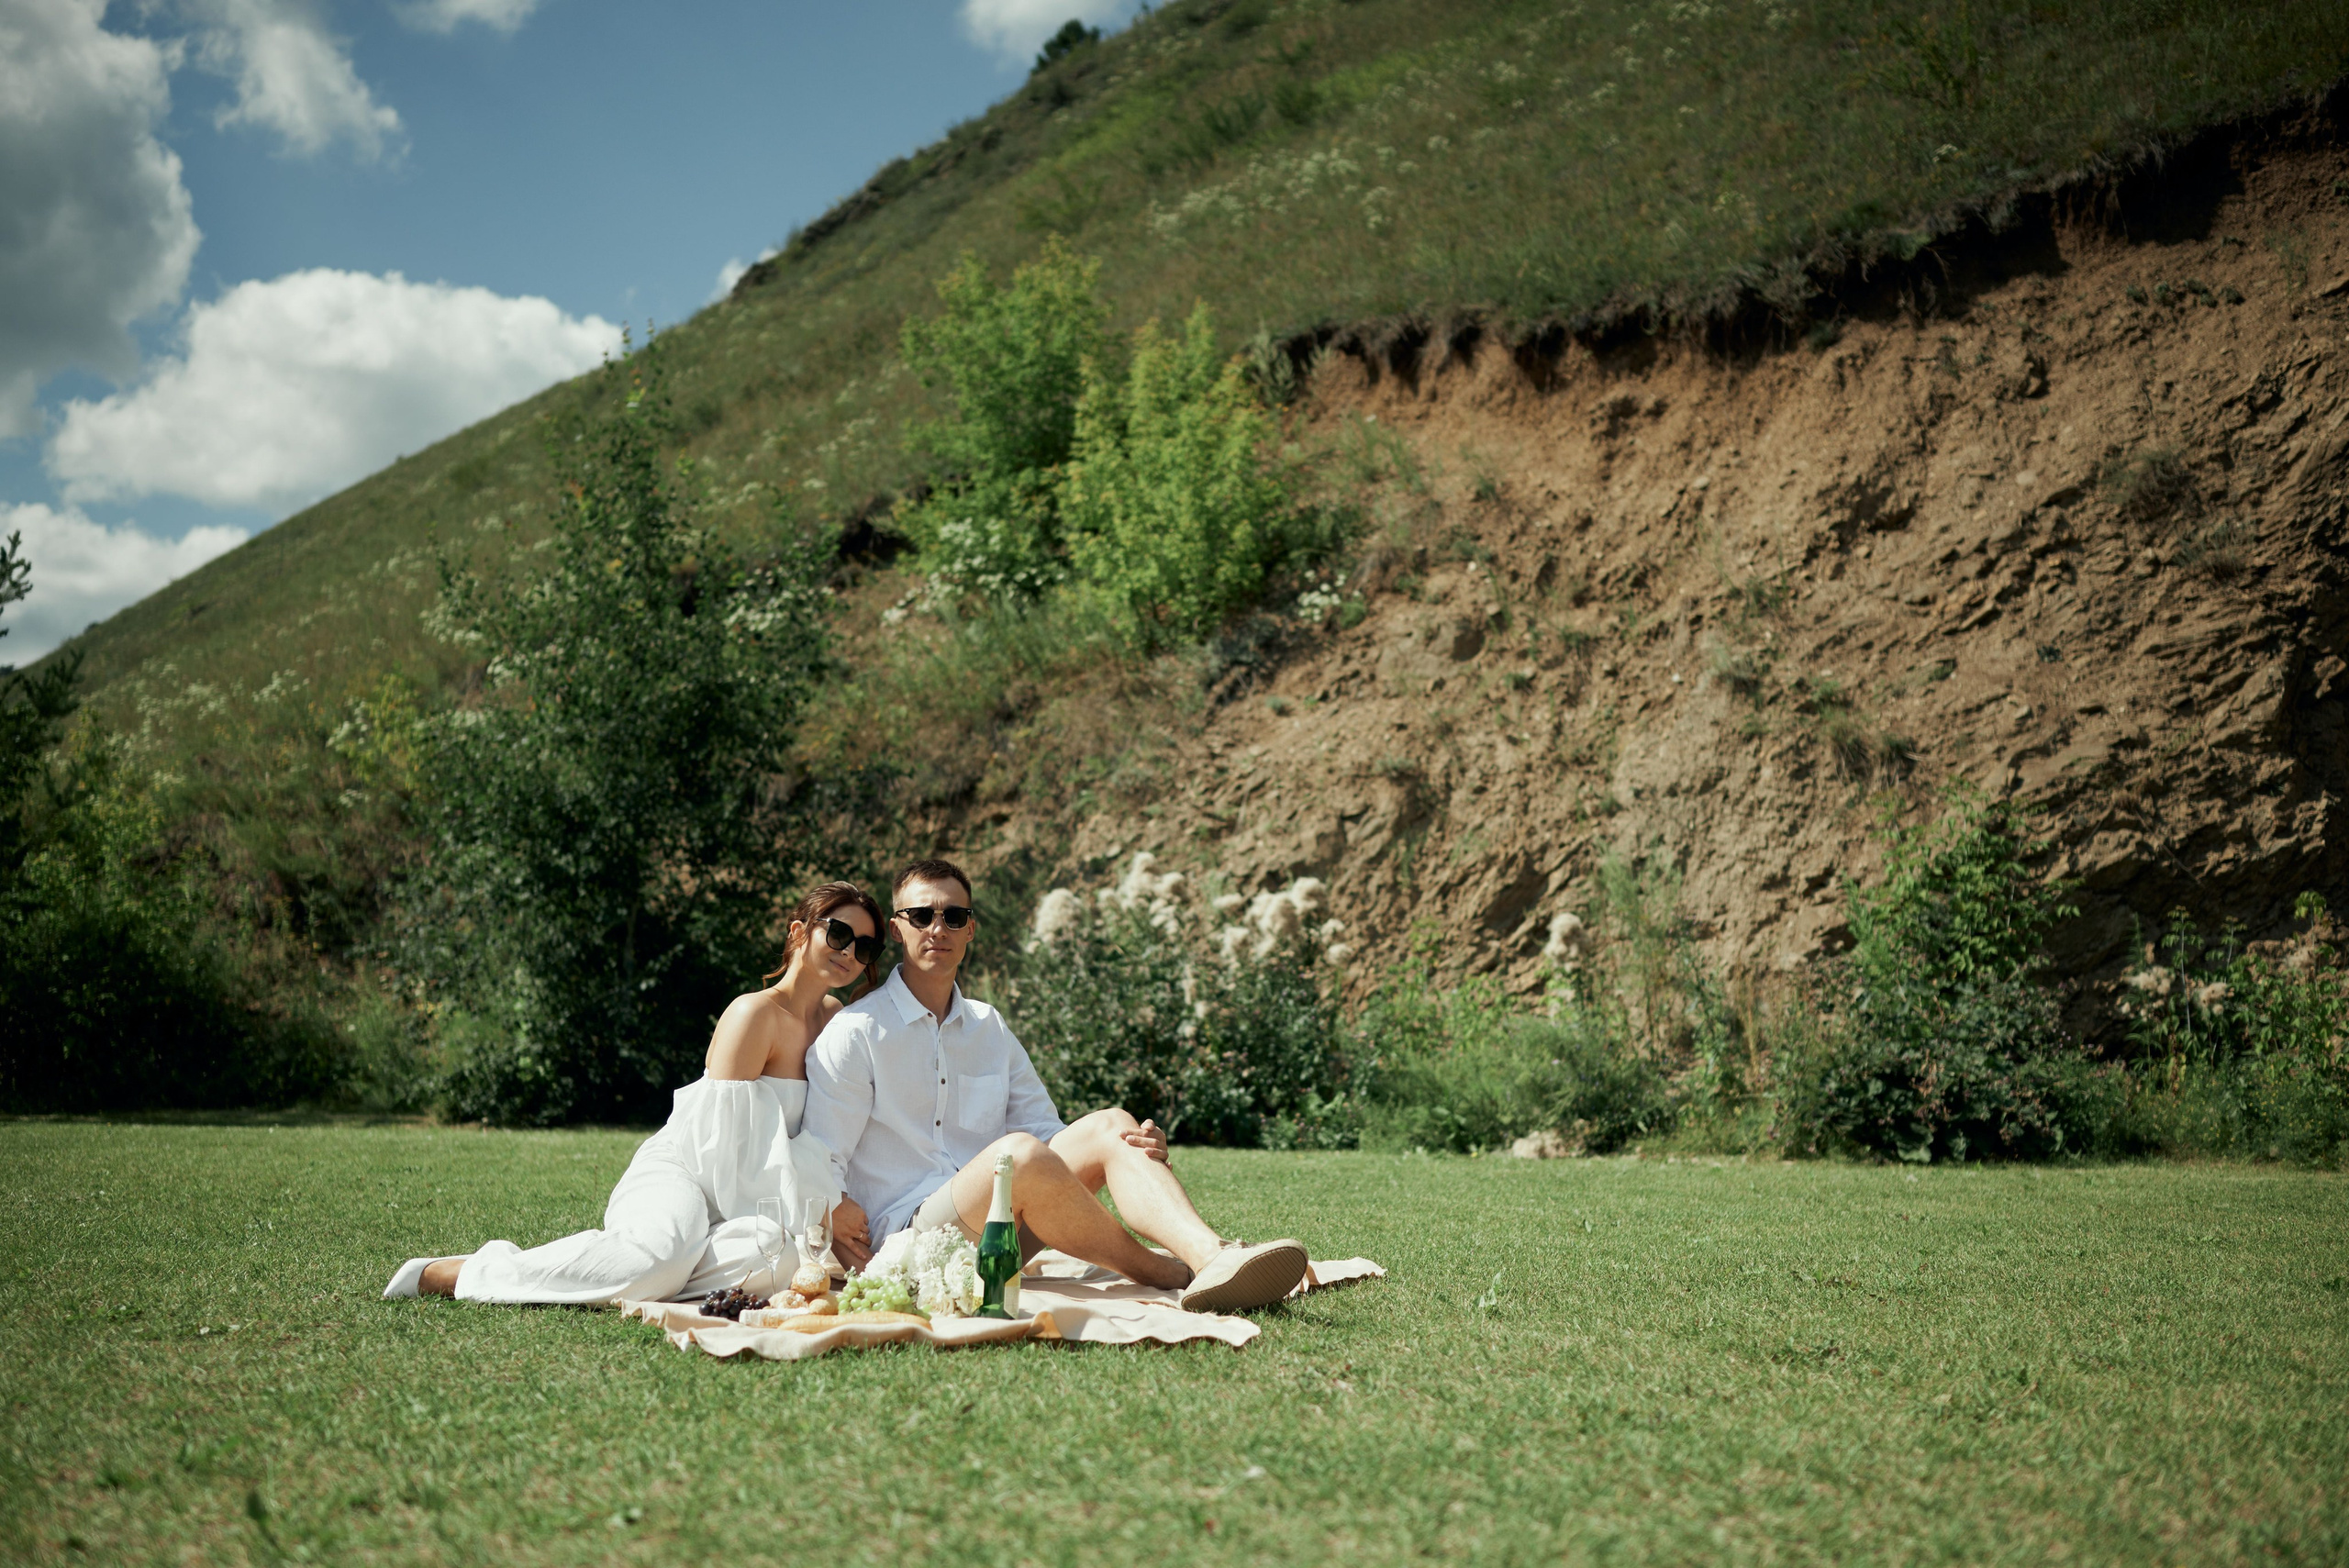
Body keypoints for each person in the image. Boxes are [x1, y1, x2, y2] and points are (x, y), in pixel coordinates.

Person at [806, 858, 1309, 1313]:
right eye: (921, 916)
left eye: (953, 917)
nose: (938, 928)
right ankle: (1165, 1272)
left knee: (1111, 1124)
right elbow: (819, 1154)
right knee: (1019, 1157)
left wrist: (1126, 1149)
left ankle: (1212, 1255)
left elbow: (1052, 1137)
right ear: (897, 928)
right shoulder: (857, 1030)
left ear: (971, 929)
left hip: (1000, 1233)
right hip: (909, 1240)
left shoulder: (988, 1026)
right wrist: (833, 1210)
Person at [382, 883, 881, 1304]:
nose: (849, 952)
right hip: (685, 1173)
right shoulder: (754, 1015)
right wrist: (816, 1209)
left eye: (865, 947)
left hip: (755, 1199)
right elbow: (722, 1148)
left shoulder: (837, 1022)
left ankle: (640, 1275)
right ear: (798, 933)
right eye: (838, 933)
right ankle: (467, 1272)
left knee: (783, 1254)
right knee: (660, 1261)